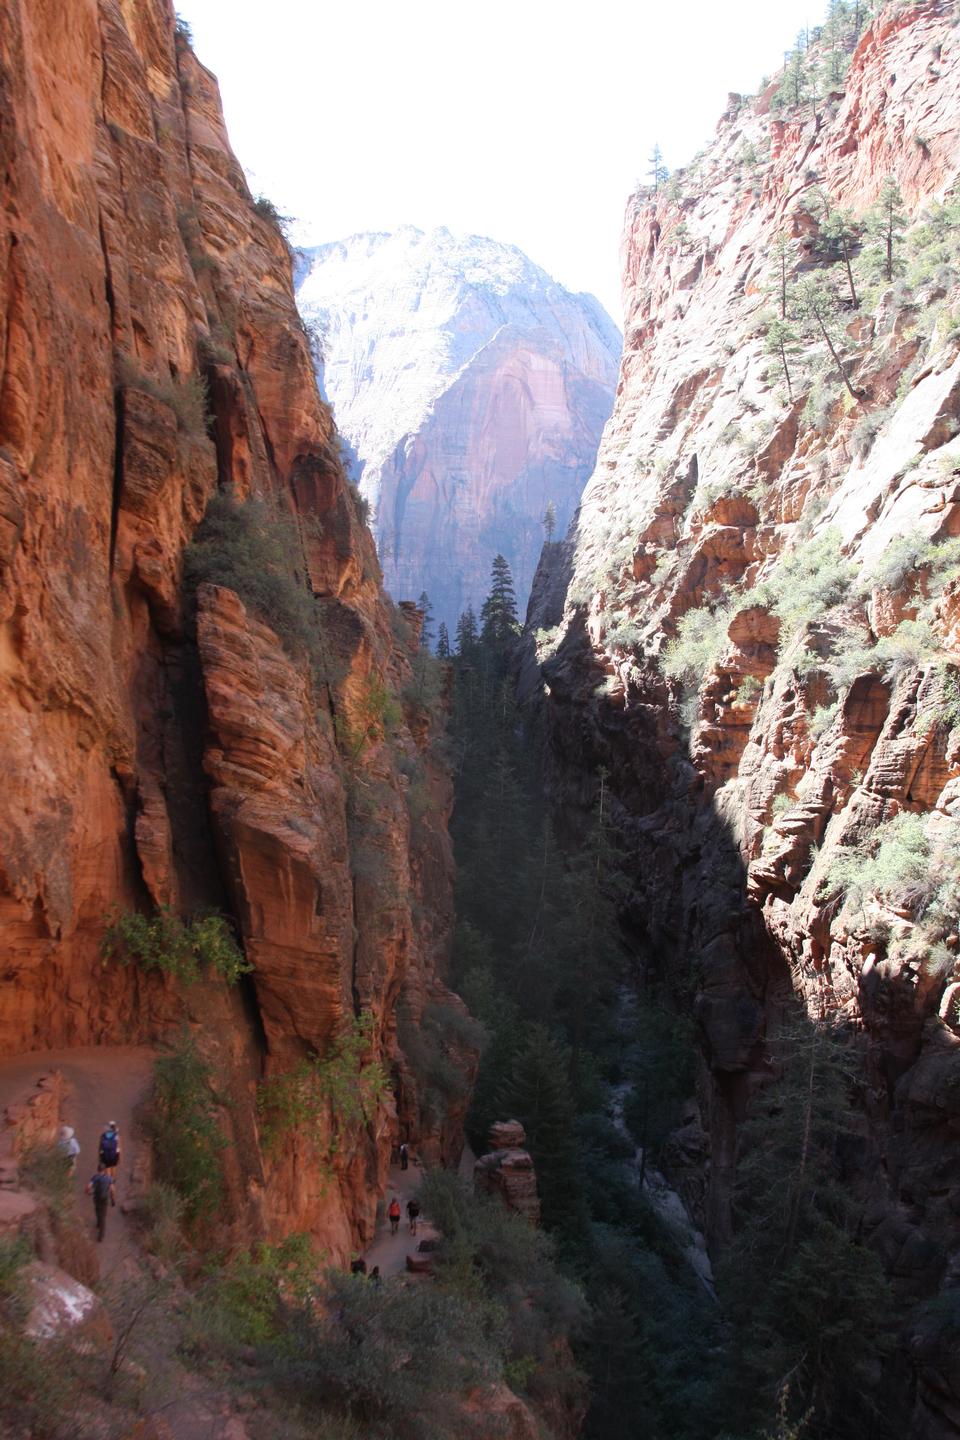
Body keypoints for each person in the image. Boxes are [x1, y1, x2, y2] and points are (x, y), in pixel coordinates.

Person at [85, 1163, 115, 1243]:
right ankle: (101, 1236)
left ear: (98, 1169)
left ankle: (98, 1222)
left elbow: (88, 1186)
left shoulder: (95, 1177)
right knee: (103, 1216)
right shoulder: (109, 1178)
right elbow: (112, 1189)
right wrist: (112, 1199)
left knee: (97, 1210)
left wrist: (87, 1192)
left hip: (97, 1197)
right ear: (104, 1170)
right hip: (105, 1198)